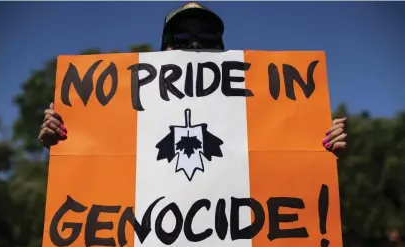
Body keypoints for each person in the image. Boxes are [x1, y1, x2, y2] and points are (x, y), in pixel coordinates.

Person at [38, 2, 347, 155]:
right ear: (164, 48)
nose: (196, 45)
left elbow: (286, 171)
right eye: (182, 36)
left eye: (207, 36)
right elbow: (96, 167)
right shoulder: (123, 112)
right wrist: (64, 139)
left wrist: (319, 147)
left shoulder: (261, 112)